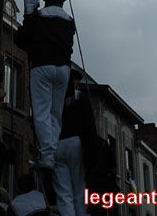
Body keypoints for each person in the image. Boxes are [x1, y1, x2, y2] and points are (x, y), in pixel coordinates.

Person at [16, 0, 75, 170]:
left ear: (46, 3)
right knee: (55, 113)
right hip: (63, 69)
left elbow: (22, 38)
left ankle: (47, 154)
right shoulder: (69, 21)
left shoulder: (39, 16)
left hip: (42, 65)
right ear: (62, 4)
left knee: (41, 111)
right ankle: (54, 152)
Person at [52, 69, 96, 216]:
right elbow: (89, 126)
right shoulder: (82, 100)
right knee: (79, 188)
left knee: (63, 191)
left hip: (57, 144)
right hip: (75, 143)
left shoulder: (55, 99)